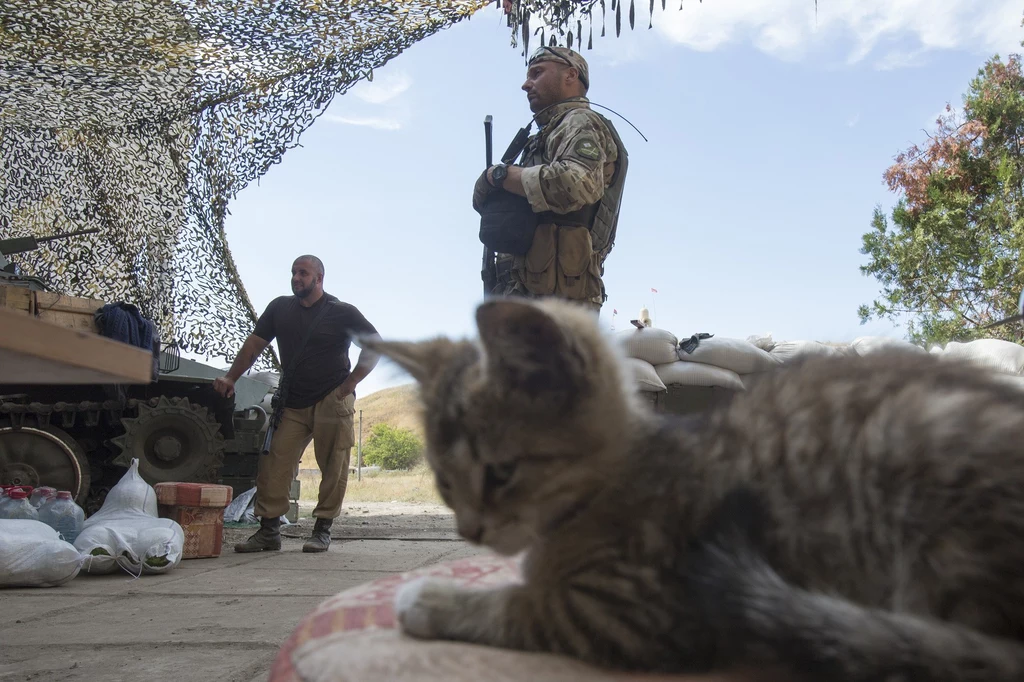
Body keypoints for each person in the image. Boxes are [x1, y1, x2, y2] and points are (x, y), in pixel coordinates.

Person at [213, 255, 381, 554]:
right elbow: (254, 345)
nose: (296, 278)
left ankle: (322, 529)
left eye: (303, 273)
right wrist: (230, 377)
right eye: (293, 272)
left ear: (319, 278)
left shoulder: (341, 312)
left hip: (333, 398)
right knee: (274, 463)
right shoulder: (280, 308)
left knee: (334, 464)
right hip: (291, 401)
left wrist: (351, 383)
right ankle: (268, 532)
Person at [474, 45, 629, 313]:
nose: (526, 84)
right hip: (528, 295)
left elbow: (574, 184)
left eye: (537, 73)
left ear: (571, 75)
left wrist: (499, 176)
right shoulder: (546, 135)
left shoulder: (580, 121)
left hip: (557, 303)